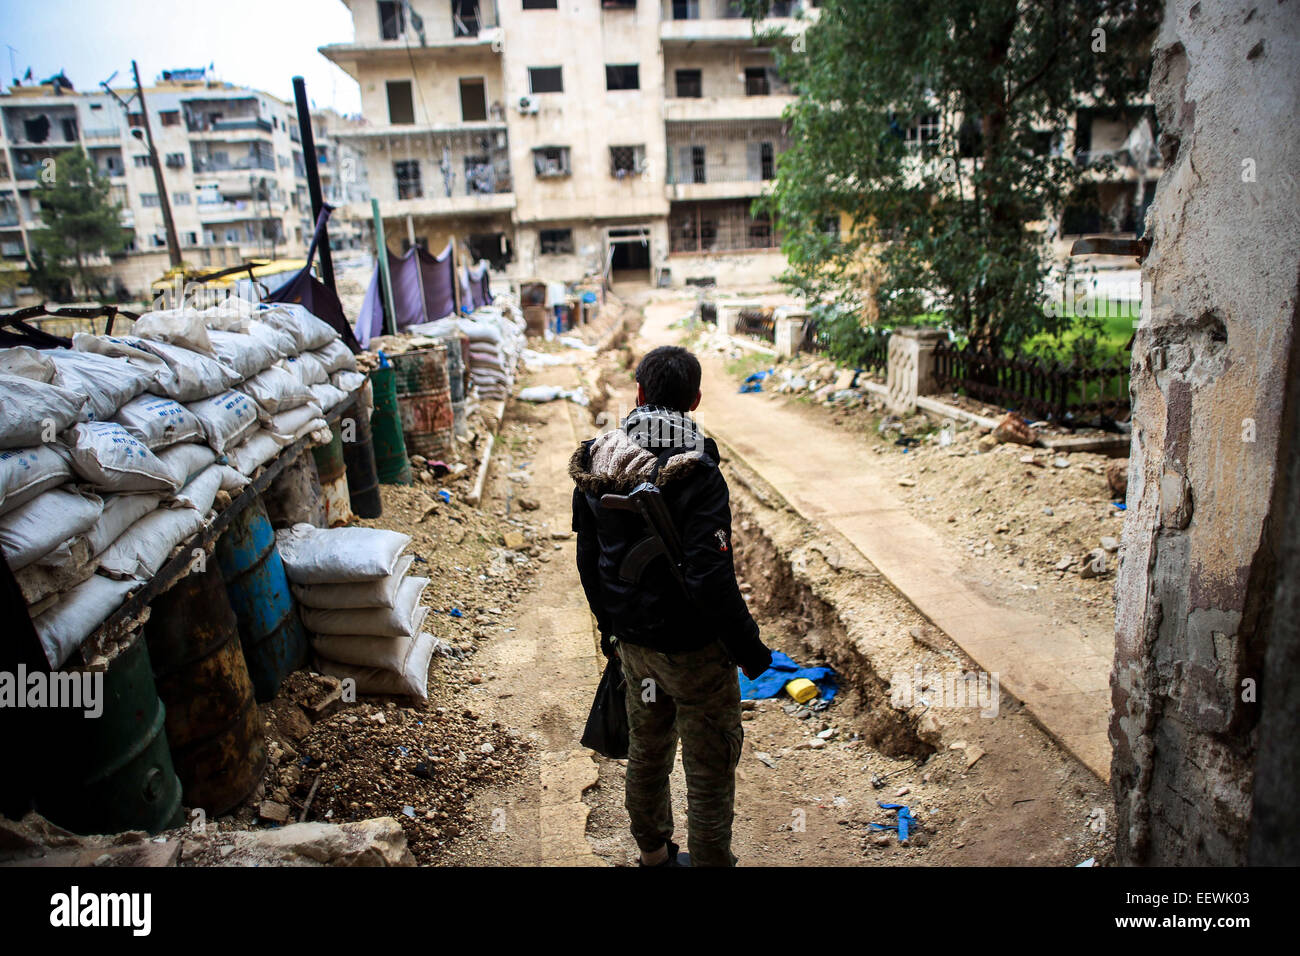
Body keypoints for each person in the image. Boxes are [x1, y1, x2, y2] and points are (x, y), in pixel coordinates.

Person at [570, 345, 772, 867]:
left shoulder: (599, 459)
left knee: (648, 751)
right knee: (709, 764)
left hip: (636, 646)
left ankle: (654, 856)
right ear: (695, 400)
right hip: (695, 651)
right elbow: (711, 578)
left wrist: (612, 630)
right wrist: (750, 649)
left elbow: (589, 563)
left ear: (639, 393)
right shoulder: (698, 471)